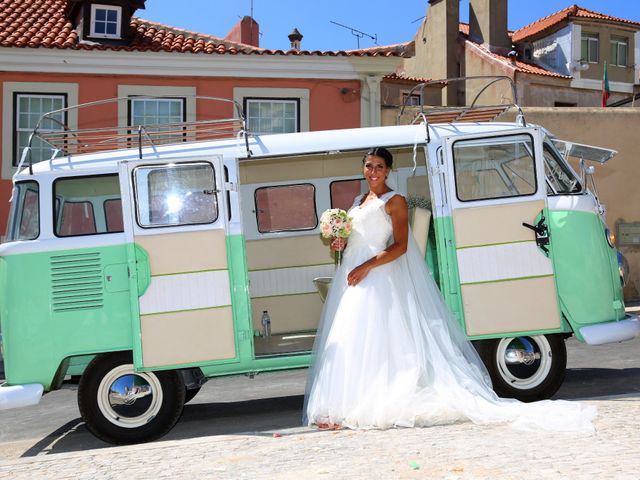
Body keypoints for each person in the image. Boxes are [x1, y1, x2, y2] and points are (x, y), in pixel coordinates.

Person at [303, 147, 596, 432]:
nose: (373, 171)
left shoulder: (395, 200)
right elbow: (354, 238)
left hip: (375, 274)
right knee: (351, 338)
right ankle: (344, 405)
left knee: (374, 339)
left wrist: (367, 266)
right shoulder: (358, 200)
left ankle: (370, 404)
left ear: (388, 170)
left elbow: (401, 246)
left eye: (379, 166)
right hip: (352, 274)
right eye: (369, 166)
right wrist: (338, 242)